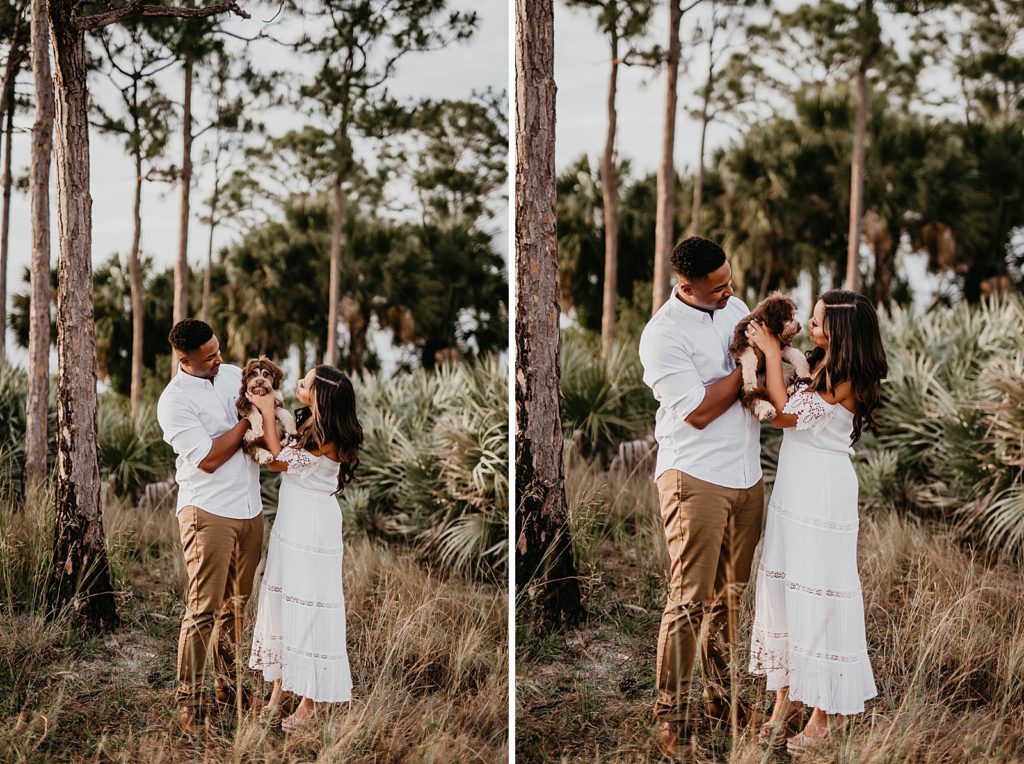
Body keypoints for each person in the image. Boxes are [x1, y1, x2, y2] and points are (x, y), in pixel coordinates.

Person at [638, 236, 765, 759]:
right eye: (718, 288)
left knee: (730, 597)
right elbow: (699, 410)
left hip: (747, 475)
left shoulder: (734, 308)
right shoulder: (662, 335)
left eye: (729, 282)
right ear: (686, 287)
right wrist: (750, 368)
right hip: (695, 476)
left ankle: (721, 698)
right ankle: (670, 716)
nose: (730, 293)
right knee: (690, 599)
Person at [745, 290, 887, 754]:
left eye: (819, 319)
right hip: (793, 487)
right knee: (786, 589)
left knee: (820, 595)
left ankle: (825, 714)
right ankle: (786, 700)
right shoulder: (817, 363)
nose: (809, 323)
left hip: (824, 493)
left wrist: (771, 352)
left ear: (841, 329)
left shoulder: (847, 376)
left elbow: (785, 417)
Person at [156, 319, 263, 734]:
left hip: (250, 509)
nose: (219, 360)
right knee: (204, 609)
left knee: (236, 607)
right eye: (209, 357)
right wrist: (249, 420)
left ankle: (228, 687)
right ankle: (189, 701)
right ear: (185, 361)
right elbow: (210, 458)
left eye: (219, 351)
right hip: (208, 511)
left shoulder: (233, 374)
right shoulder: (174, 401)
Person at [247, 365, 364, 731]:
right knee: (285, 603)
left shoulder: (326, 435)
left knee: (309, 607)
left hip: (313, 528)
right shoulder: (311, 422)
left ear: (320, 395)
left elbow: (277, 462)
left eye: (305, 382)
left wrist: (267, 412)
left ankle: (310, 702)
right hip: (291, 523)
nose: (298, 383)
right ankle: (280, 692)